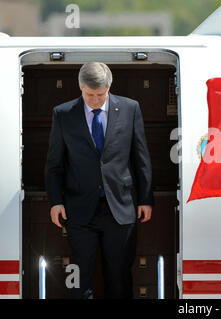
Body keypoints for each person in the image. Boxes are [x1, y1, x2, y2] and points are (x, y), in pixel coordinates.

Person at [45, 62, 154, 299]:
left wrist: (146, 199)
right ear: (80, 87)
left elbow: (140, 157)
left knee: (119, 277)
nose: (95, 100)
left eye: (100, 95)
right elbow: (54, 164)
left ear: (109, 87)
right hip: (80, 210)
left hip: (121, 208)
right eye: (89, 95)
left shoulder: (129, 108)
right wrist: (55, 201)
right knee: (81, 279)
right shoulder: (63, 114)